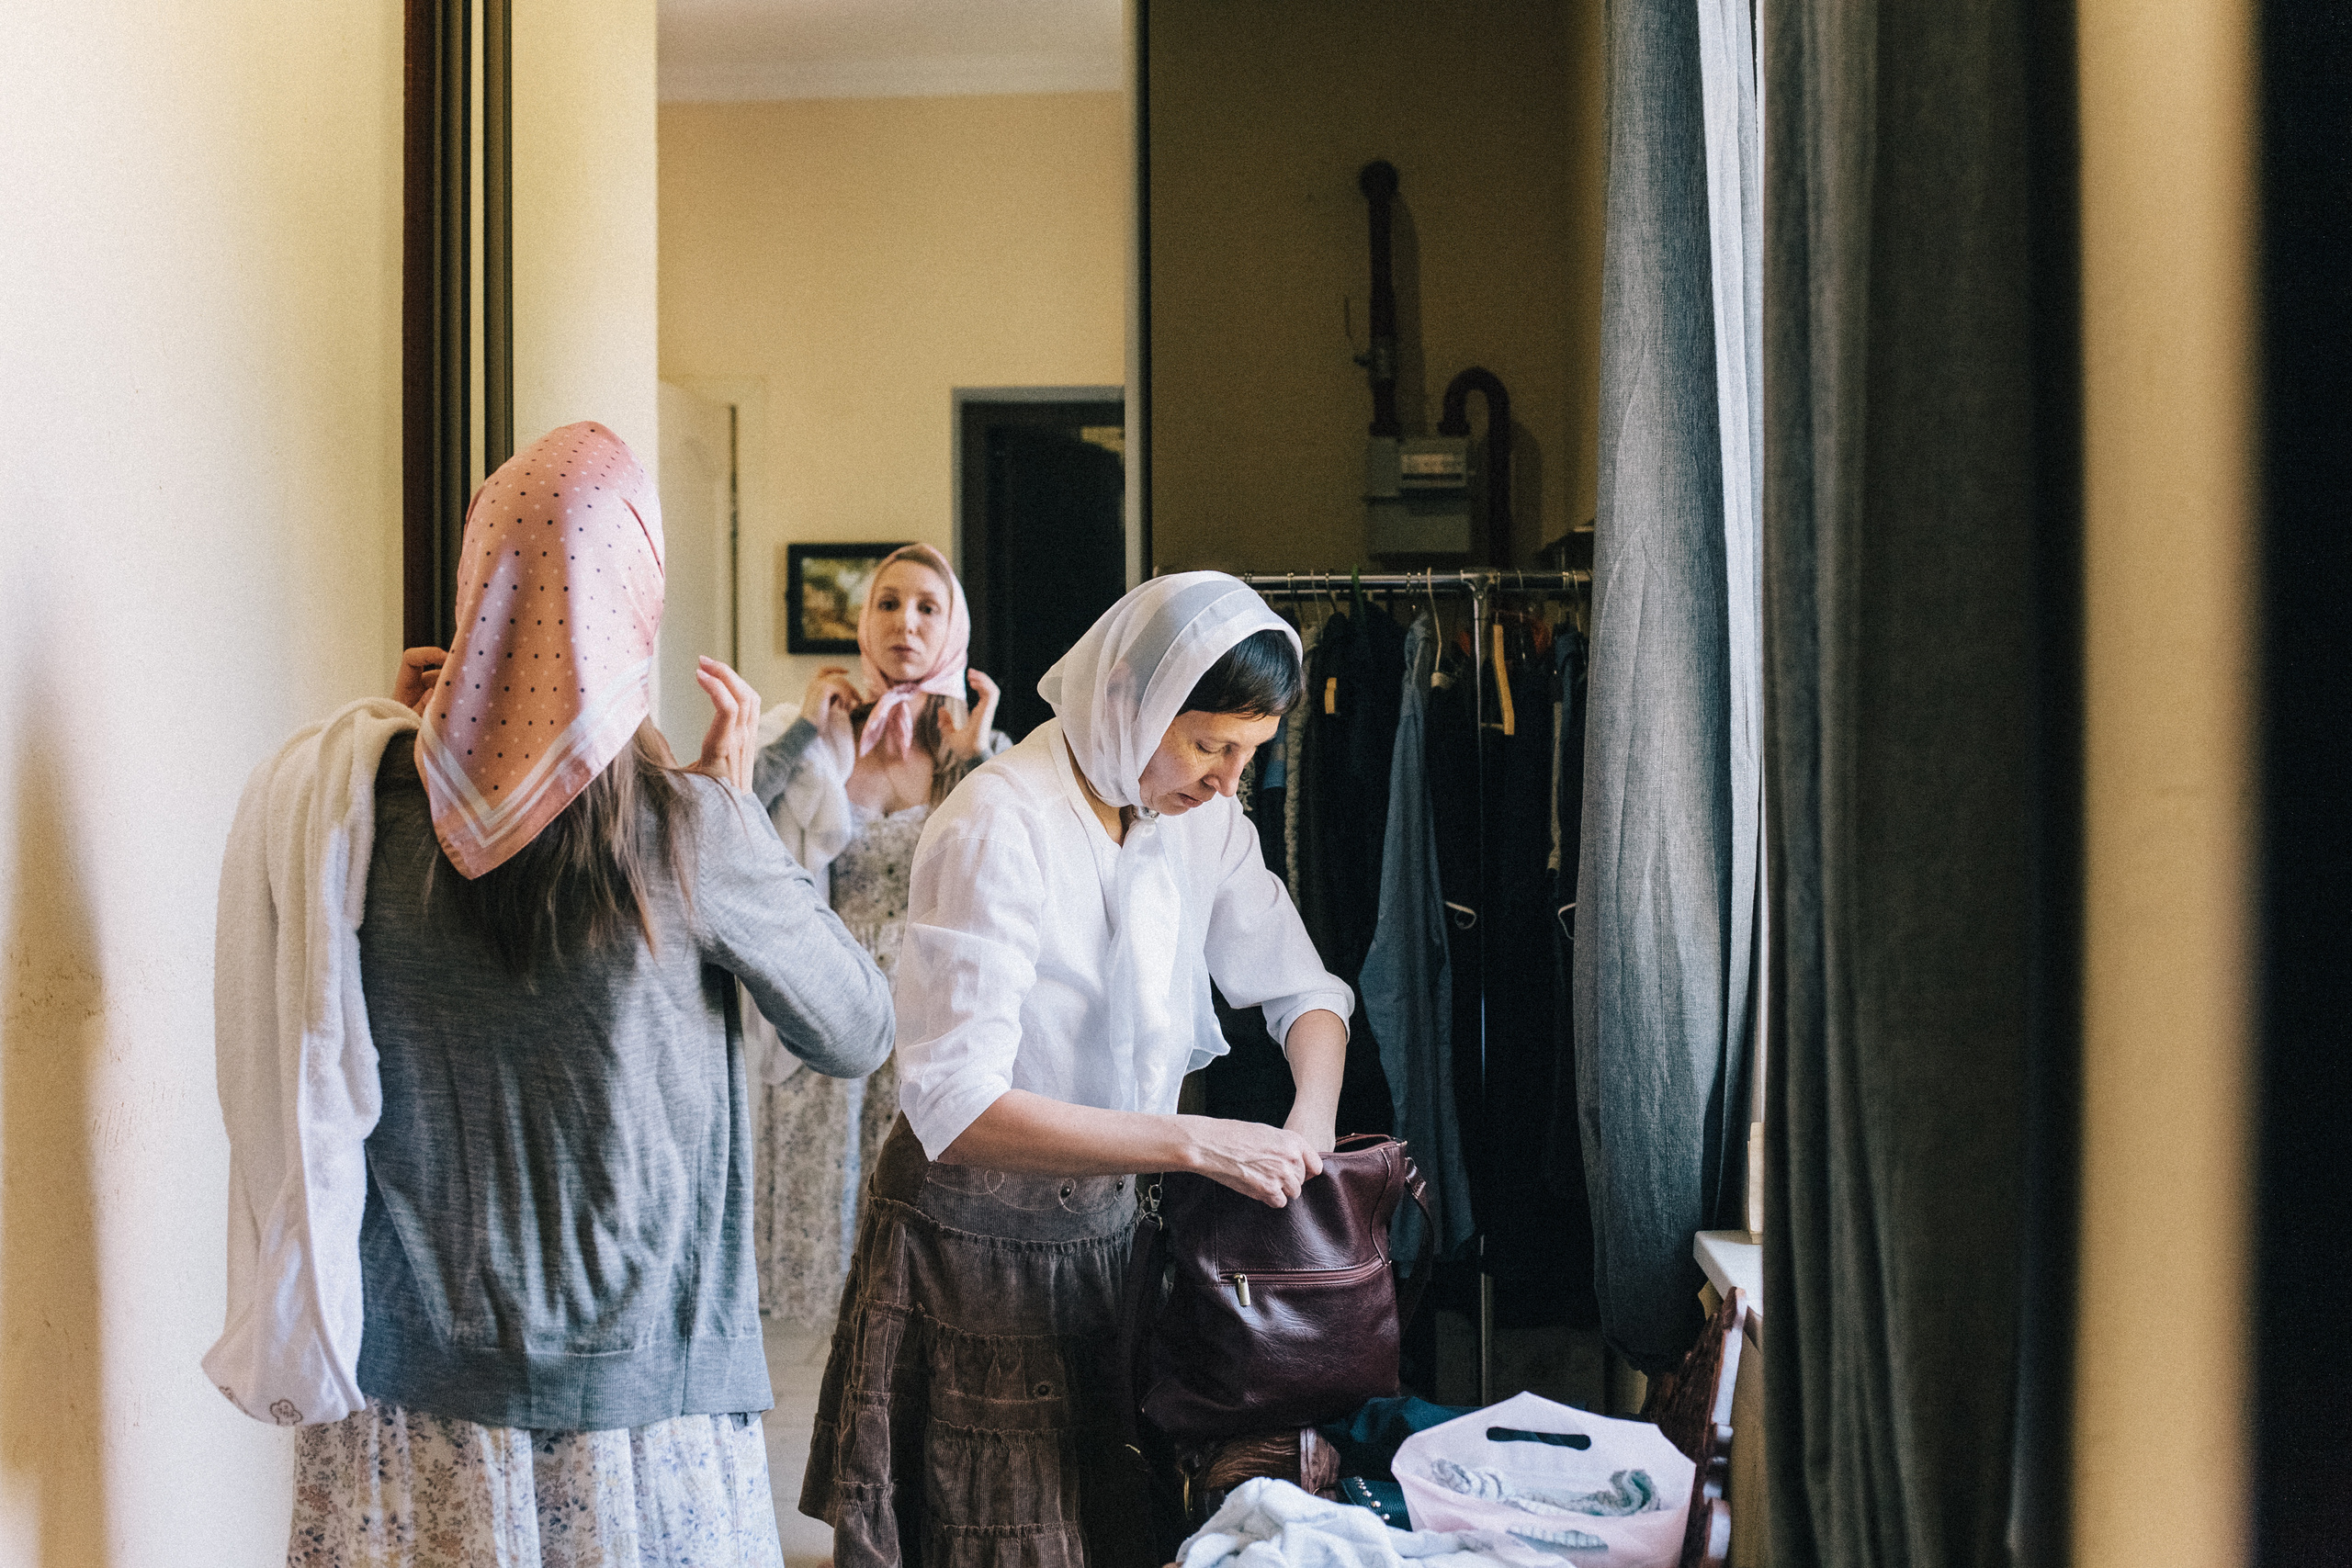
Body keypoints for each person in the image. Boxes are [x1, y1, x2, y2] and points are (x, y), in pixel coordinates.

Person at [235, 423, 895, 1564]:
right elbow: (857, 1027)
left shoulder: (347, 811)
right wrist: (736, 811)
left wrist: (405, 747)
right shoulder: (691, 826)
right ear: (633, 607)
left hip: (407, 1387)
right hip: (637, 1398)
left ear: (476, 590)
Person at [800, 571, 1355, 1568]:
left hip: (1107, 1239)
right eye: (1210, 745)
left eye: (1252, 753)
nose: (1230, 782)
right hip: (968, 1241)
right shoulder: (997, 818)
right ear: (1130, 698)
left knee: (1103, 1528)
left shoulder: (1199, 820)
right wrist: (1193, 1142)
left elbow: (1305, 992)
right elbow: (956, 1103)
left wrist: (1308, 1126)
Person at [744, 542, 1006, 1325]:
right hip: (827, 1000)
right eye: (888, 603)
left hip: (932, 1007)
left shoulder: (976, 749)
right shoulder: (811, 731)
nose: (906, 623)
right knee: (828, 1217)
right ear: (863, 621)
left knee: (924, 1216)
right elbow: (728, 818)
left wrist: (971, 762)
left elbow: (995, 879)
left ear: (954, 627)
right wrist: (800, 731)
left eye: (928, 607)